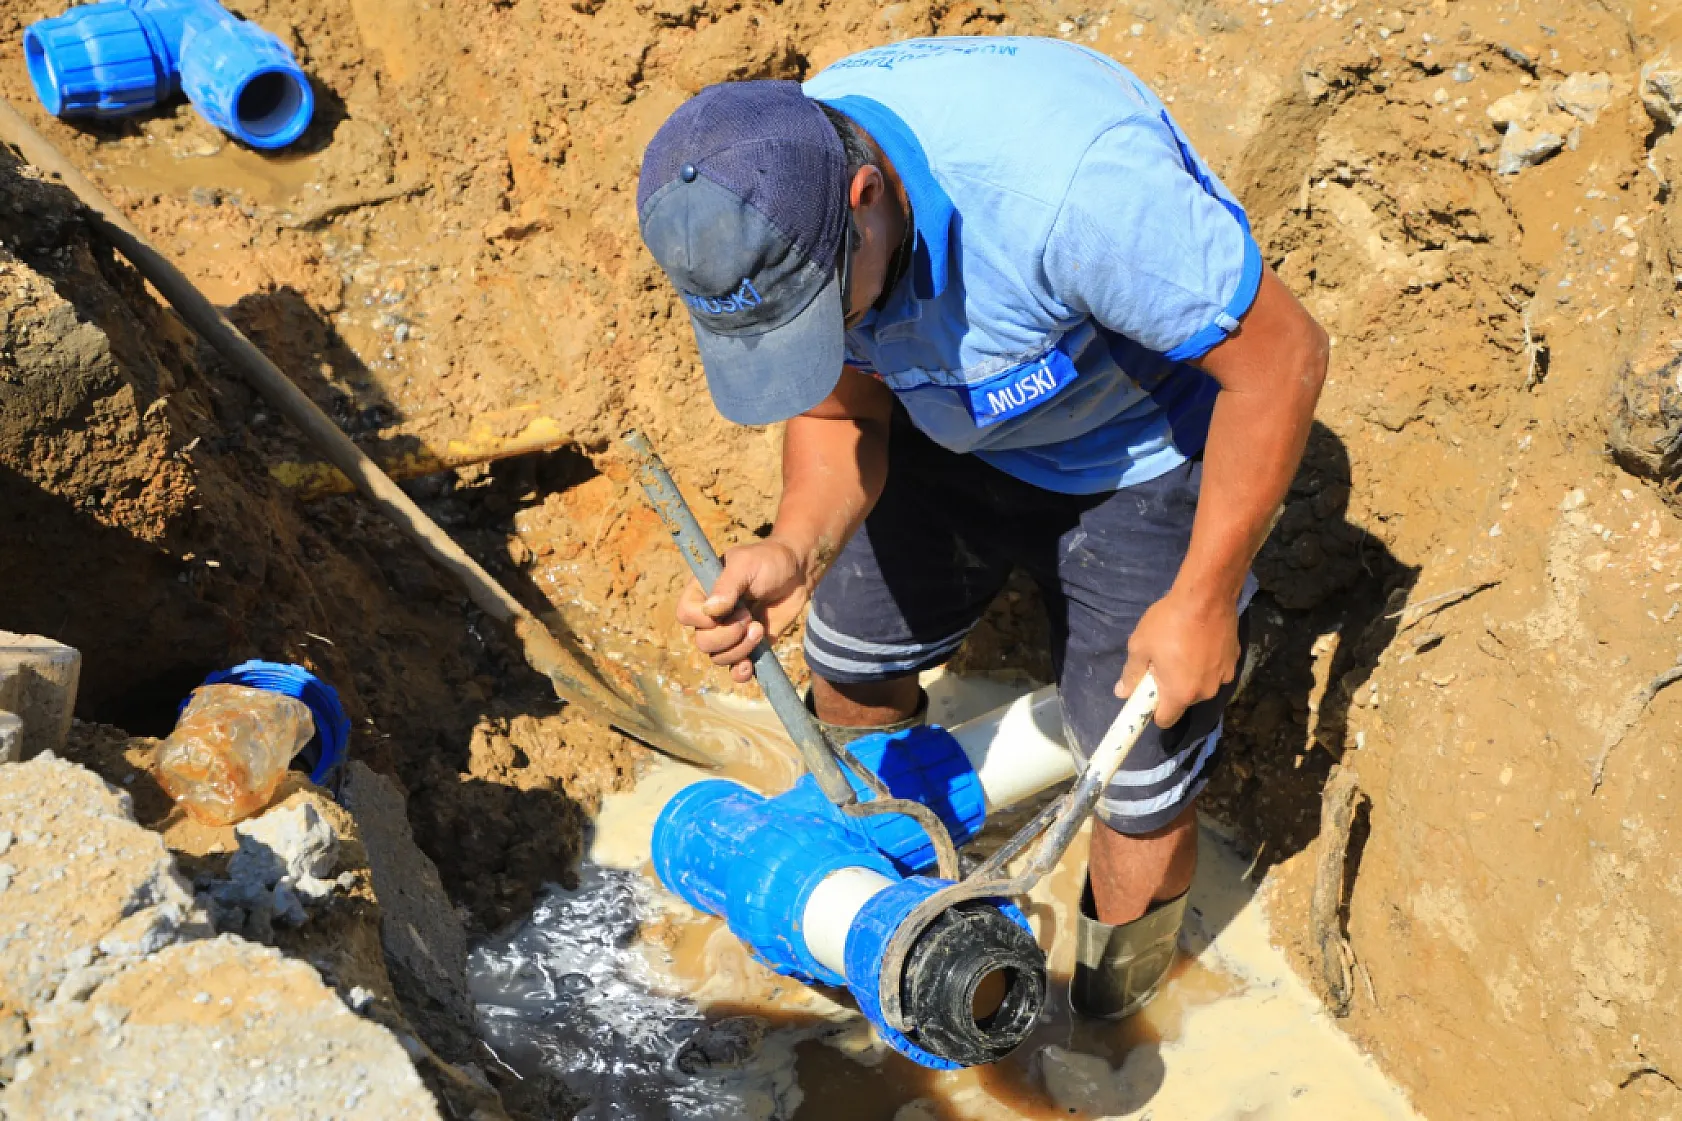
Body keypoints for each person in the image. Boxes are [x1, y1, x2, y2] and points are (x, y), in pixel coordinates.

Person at [636, 36, 1327, 1020]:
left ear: (866, 197)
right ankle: (876, 906)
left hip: (1141, 454)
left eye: (819, 314)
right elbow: (841, 411)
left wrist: (1203, 594)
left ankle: (1113, 1010)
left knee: (1135, 769)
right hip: (942, 424)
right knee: (845, 656)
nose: (819, 339)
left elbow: (1280, 358)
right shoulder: (775, 183)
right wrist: (794, 545)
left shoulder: (1073, 189)